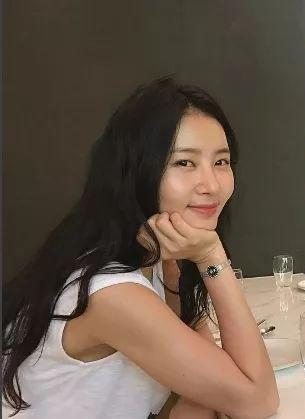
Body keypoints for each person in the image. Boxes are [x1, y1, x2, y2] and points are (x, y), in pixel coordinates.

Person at [3, 77, 279, 419]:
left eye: (221, 162)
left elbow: (205, 390)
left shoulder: (152, 260)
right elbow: (258, 401)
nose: (212, 185)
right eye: (184, 163)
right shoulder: (111, 292)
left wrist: (215, 395)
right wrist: (211, 256)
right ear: (136, 171)